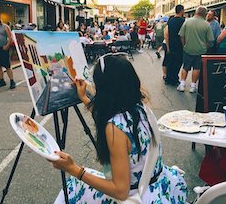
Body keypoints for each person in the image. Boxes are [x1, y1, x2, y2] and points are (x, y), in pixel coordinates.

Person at [50, 54, 188, 203]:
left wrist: (75, 170)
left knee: (73, 187)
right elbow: (112, 116)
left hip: (137, 196)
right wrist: (84, 98)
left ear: (105, 89)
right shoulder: (140, 108)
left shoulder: (115, 129)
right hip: (159, 187)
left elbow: (120, 192)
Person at [178, 6, 214, 93]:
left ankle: (182, 84)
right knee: (196, 68)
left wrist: (184, 45)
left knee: (185, 67)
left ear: (196, 12)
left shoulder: (187, 22)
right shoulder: (206, 25)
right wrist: (205, 47)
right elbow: (209, 40)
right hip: (200, 50)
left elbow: (181, 35)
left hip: (188, 48)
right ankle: (193, 86)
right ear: (204, 14)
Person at [165, 5, 185, 86]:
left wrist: (168, 45)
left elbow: (167, 34)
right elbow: (182, 34)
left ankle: (168, 78)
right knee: (177, 63)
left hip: (171, 43)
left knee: (171, 62)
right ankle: (174, 78)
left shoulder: (171, 21)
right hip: (179, 45)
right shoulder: (182, 21)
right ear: (181, 11)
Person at [162, 16, 174, 84]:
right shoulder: (168, 27)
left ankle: (167, 74)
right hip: (166, 44)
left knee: (168, 59)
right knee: (166, 59)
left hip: (168, 44)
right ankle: (165, 74)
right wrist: (168, 46)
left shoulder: (169, 26)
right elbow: (166, 36)